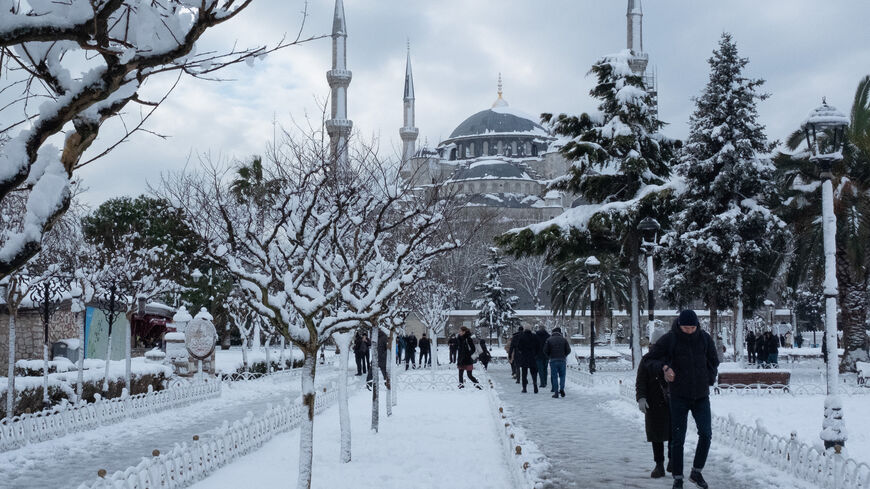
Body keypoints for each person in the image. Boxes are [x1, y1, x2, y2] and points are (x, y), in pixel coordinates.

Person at [643, 309, 719, 489]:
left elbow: (713, 361)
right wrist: (664, 367)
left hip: (701, 395)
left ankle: (697, 471)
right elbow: (649, 360)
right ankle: (678, 477)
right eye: (686, 328)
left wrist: (709, 377)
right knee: (678, 438)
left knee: (706, 434)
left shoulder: (704, 338)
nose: (690, 331)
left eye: (693, 327)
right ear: (679, 325)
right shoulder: (670, 339)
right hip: (678, 396)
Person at [636, 326, 671, 478]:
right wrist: (641, 398)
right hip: (654, 402)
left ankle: (673, 460)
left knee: (674, 434)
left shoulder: (672, 357)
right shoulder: (646, 360)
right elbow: (641, 381)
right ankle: (659, 464)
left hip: (671, 401)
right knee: (656, 436)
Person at [543, 327, 571, 398]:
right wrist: (564, 355)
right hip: (562, 360)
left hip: (553, 360)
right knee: (562, 376)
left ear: (553, 332)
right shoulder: (564, 340)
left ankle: (556, 392)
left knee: (554, 376)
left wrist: (549, 356)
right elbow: (568, 350)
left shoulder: (549, 340)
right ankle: (561, 389)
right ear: (560, 332)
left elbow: (545, 350)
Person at [516, 327, 540, 393]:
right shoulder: (535, 336)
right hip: (532, 357)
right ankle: (535, 385)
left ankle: (524, 388)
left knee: (524, 373)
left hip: (524, 357)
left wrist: (521, 352)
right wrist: (536, 354)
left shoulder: (522, 337)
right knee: (533, 373)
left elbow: (519, 347)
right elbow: (538, 346)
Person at [534, 325, 550, 389]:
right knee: (545, 369)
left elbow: (534, 346)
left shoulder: (536, 336)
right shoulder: (548, 336)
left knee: (540, 369)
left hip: (538, 355)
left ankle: (542, 383)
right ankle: (545, 381)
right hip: (546, 355)